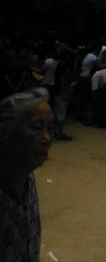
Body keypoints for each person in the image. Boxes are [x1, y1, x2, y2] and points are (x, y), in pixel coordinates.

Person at [0, 88, 53, 262]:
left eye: (49, 128)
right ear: (7, 131)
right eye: (37, 127)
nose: (47, 138)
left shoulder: (27, 178)